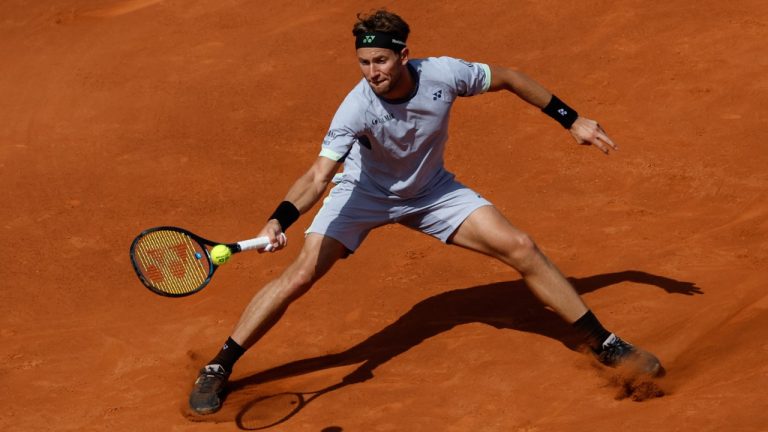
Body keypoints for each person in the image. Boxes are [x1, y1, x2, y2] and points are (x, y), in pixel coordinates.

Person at [188, 9, 662, 415]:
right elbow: (317, 177)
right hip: (364, 192)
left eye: (380, 61)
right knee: (300, 275)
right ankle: (219, 365)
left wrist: (572, 119)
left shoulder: (446, 74)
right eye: (363, 63)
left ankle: (606, 344)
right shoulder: (355, 108)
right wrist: (280, 219)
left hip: (430, 190)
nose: (371, 72)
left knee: (521, 247)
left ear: (403, 56)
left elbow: (512, 79)